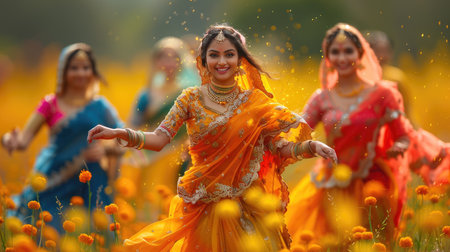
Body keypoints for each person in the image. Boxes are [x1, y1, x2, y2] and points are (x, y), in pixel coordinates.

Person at [87, 24, 337, 251]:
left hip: (246, 208)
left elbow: (276, 146)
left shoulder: (254, 102)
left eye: (229, 54)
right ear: (203, 61)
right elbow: (160, 138)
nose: (222, 61)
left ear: (240, 60)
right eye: (214, 55)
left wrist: (311, 146)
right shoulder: (190, 99)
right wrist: (122, 134)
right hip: (203, 204)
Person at [286, 23, 414, 246]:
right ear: (327, 56)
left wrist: (400, 146)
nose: (342, 58)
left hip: (373, 183)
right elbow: (299, 133)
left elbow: (404, 134)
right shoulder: (322, 98)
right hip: (333, 182)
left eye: (348, 51)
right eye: (335, 51)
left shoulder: (383, 94)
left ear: (361, 54)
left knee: (373, 242)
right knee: (336, 243)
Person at [1, 43, 123, 231]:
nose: (81, 73)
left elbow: (124, 138)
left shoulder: (101, 106)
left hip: (92, 180)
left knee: (95, 234)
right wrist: (8, 139)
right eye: (74, 68)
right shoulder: (50, 104)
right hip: (55, 178)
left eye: (86, 67)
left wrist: (106, 148)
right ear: (63, 71)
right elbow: (22, 141)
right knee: (48, 232)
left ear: (92, 71)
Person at [366, 30, 449, 185]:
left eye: (385, 50)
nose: (381, 55)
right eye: (376, 50)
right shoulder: (359, 77)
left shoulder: (396, 78)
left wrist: (416, 135)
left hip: (395, 135)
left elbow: (407, 111)